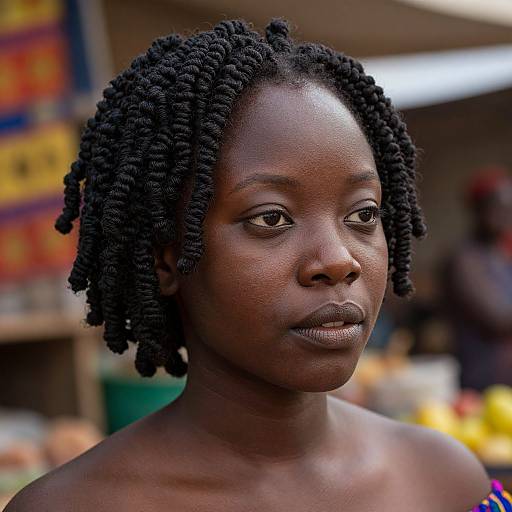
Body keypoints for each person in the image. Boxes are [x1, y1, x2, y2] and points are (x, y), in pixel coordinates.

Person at [5, 19, 511, 512]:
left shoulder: (445, 483)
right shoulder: (74, 505)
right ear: (166, 260)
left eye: (363, 214)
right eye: (271, 218)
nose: (338, 259)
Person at [442, 166, 512, 391]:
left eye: (509, 208)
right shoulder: (465, 261)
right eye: (497, 207)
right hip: (483, 379)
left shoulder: (501, 255)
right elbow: (498, 319)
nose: (505, 215)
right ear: (478, 210)